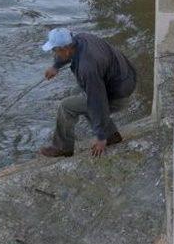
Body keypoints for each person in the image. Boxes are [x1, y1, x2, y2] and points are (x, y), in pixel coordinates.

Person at [38, 28, 137, 158]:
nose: (53, 53)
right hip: (126, 76)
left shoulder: (87, 68)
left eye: (54, 50)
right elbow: (70, 55)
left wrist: (101, 138)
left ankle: (63, 148)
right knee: (80, 97)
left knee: (67, 106)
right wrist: (56, 66)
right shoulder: (82, 38)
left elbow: (97, 102)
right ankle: (111, 135)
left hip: (120, 93)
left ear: (66, 49)